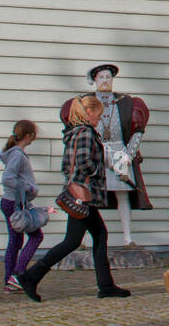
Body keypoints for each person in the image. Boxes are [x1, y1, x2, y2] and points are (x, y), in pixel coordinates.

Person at [16, 96, 130, 302]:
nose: (100, 119)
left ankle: (106, 285)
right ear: (88, 113)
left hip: (80, 193)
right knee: (71, 242)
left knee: (100, 235)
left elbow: (66, 167)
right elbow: (84, 163)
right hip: (83, 195)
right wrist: (100, 171)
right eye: (98, 115)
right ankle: (30, 277)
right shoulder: (86, 133)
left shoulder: (73, 133)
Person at [59, 63, 152, 247]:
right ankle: (83, 239)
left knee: (123, 194)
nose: (105, 81)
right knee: (87, 195)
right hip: (94, 150)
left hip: (119, 151)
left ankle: (128, 238)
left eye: (108, 77)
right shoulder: (84, 103)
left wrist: (129, 155)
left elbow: (138, 131)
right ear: (94, 80)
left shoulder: (126, 102)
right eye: (101, 77)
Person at [0, 120, 50, 293]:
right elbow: (7, 178)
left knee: (15, 241)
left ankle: (9, 281)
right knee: (36, 237)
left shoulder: (13, 153)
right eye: (34, 135)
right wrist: (27, 188)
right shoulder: (17, 155)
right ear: (28, 135)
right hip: (15, 203)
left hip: (11, 201)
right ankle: (18, 276)